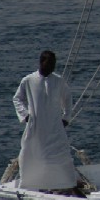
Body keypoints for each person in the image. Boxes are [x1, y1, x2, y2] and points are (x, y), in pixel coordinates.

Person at [12, 50, 78, 191]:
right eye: (50, 64)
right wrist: (25, 115)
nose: (53, 67)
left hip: (55, 126)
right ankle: (30, 184)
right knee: (31, 154)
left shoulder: (58, 81)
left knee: (61, 155)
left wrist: (66, 117)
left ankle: (65, 184)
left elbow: (67, 98)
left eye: (54, 64)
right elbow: (17, 98)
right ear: (42, 63)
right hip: (36, 126)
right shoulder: (28, 80)